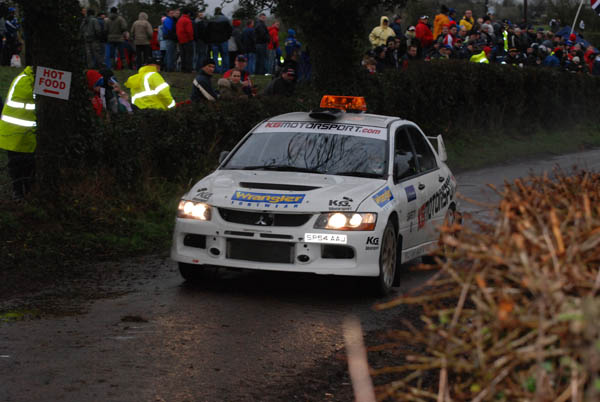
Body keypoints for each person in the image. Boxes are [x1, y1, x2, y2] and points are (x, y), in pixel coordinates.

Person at [0, 66, 36, 199]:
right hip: (24, 132)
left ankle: (18, 193)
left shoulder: (20, 78)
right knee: (26, 166)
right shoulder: (31, 83)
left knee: (16, 166)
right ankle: (25, 193)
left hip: (11, 131)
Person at [207, 7, 232, 74]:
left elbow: (208, 31)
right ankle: (225, 70)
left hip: (214, 41)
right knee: (225, 55)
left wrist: (210, 39)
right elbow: (230, 30)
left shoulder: (211, 20)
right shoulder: (225, 19)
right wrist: (227, 37)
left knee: (215, 56)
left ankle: (216, 69)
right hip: (223, 40)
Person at [177, 8, 194, 73]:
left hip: (180, 40)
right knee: (188, 55)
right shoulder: (187, 20)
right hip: (187, 40)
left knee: (182, 55)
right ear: (188, 13)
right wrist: (191, 39)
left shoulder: (180, 20)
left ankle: (183, 68)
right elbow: (189, 31)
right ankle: (188, 69)